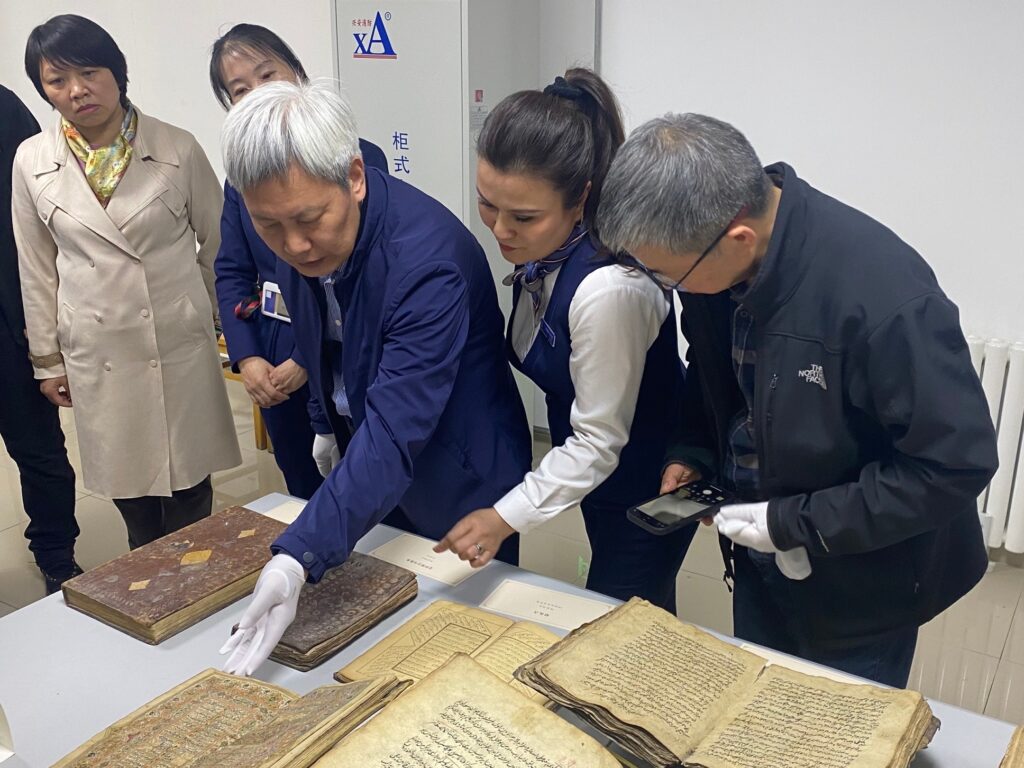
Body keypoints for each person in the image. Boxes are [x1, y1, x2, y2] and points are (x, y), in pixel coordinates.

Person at [595, 112, 998, 687]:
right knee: (764, 702)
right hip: (759, 551)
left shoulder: (885, 300)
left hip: (862, 585)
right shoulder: (711, 257)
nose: (668, 286)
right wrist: (695, 452)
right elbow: (712, 370)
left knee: (842, 720)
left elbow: (953, 465)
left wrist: (791, 523)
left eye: (667, 277)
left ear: (737, 238)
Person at [218, 81, 531, 676]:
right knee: (384, 643)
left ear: (354, 177)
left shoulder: (427, 263)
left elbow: (393, 432)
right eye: (269, 225)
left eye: (309, 219)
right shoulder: (302, 225)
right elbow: (322, 341)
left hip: (457, 476)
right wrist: (323, 422)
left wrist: (295, 556)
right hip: (375, 465)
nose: (295, 245)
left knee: (463, 654)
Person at [433, 70, 692, 610]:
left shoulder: (610, 290)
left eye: (524, 217)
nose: (500, 230)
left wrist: (503, 516)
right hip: (600, 474)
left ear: (581, 200)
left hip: (651, 482)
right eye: (487, 204)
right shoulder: (547, 255)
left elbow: (598, 442)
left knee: (625, 619)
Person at [12, 15, 241, 550]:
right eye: (57, 80)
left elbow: (220, 243)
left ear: (117, 72)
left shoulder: (177, 147)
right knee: (129, 488)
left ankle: (195, 576)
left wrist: (205, 314)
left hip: (175, 340)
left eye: (89, 72)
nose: (76, 91)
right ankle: (148, 575)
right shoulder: (32, 160)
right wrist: (47, 360)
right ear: (43, 90)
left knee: (189, 485)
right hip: (98, 347)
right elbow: (36, 267)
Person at [209, 24, 389, 498]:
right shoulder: (242, 179)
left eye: (267, 75)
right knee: (300, 481)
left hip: (340, 349)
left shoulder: (353, 158)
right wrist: (248, 357)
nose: (258, 94)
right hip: (273, 351)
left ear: (298, 74)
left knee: (361, 486)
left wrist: (306, 359)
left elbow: (361, 278)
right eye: (240, 90)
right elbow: (231, 270)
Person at [0, 83, 80, 594]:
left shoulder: (3, 109)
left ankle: (56, 558)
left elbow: (41, 215)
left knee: (39, 452)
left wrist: (43, 317)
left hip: (11, 321)